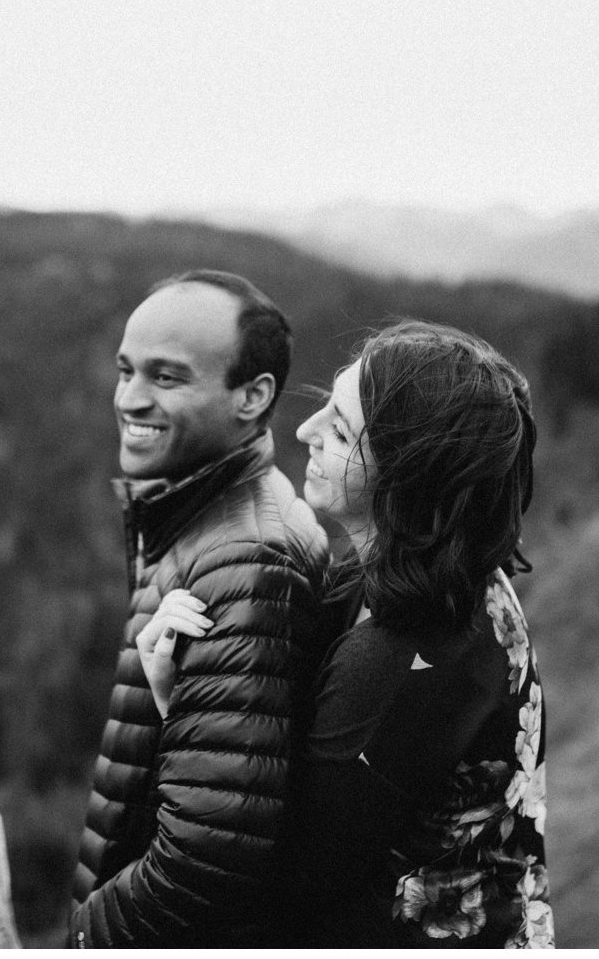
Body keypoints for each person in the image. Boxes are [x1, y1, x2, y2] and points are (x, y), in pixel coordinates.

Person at [137, 320, 553, 947]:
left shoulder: (398, 661)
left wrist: (178, 705)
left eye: (338, 430)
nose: (304, 431)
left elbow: (279, 884)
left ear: (409, 476)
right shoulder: (444, 574)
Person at [70, 270, 333, 947]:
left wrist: (82, 940)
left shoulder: (246, 560)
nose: (130, 398)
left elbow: (210, 858)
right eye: (126, 371)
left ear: (252, 396)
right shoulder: (202, 517)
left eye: (166, 377)